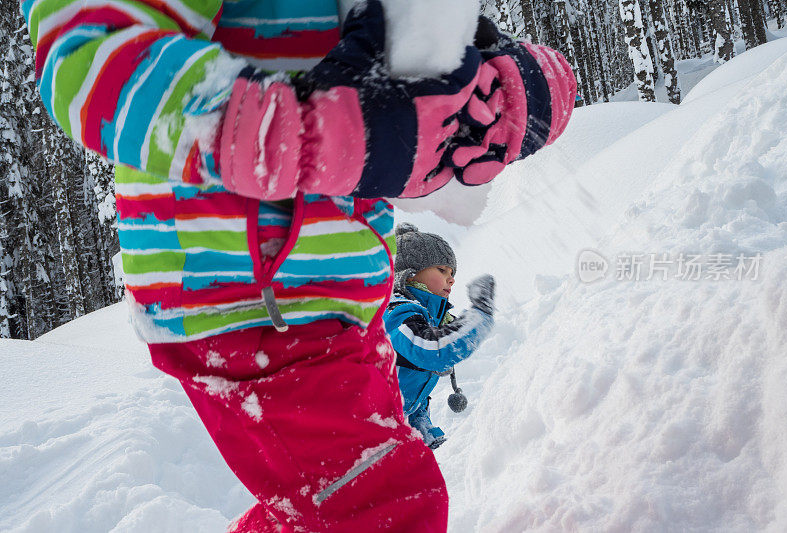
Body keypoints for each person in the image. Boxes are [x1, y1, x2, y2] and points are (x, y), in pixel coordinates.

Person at [22, 0, 576, 529]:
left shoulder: (414, 306)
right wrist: (312, 136)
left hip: (343, 299)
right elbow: (91, 54)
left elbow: (387, 110)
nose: (449, 282)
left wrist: (495, 87)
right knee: (387, 509)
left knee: (330, 513)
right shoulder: (413, 315)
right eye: (443, 275)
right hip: (243, 298)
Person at [383, 224, 495, 449]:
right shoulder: (395, 313)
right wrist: (479, 314)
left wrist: (420, 426)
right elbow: (434, 350)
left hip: (385, 429)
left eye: (452, 273)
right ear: (411, 274)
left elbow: (408, 383)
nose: (451, 279)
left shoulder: (425, 319)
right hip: (357, 430)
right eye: (442, 270)